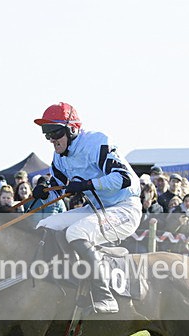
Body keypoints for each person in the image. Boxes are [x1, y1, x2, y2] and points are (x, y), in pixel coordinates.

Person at [32, 102, 141, 314]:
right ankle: (61, 284)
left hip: (125, 208)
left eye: (55, 132)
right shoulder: (59, 157)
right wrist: (44, 190)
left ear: (72, 129)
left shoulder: (96, 143)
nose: (52, 139)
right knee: (46, 224)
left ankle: (105, 296)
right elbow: (59, 188)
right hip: (97, 210)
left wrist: (87, 184)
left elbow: (124, 178)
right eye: (47, 134)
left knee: (76, 232)